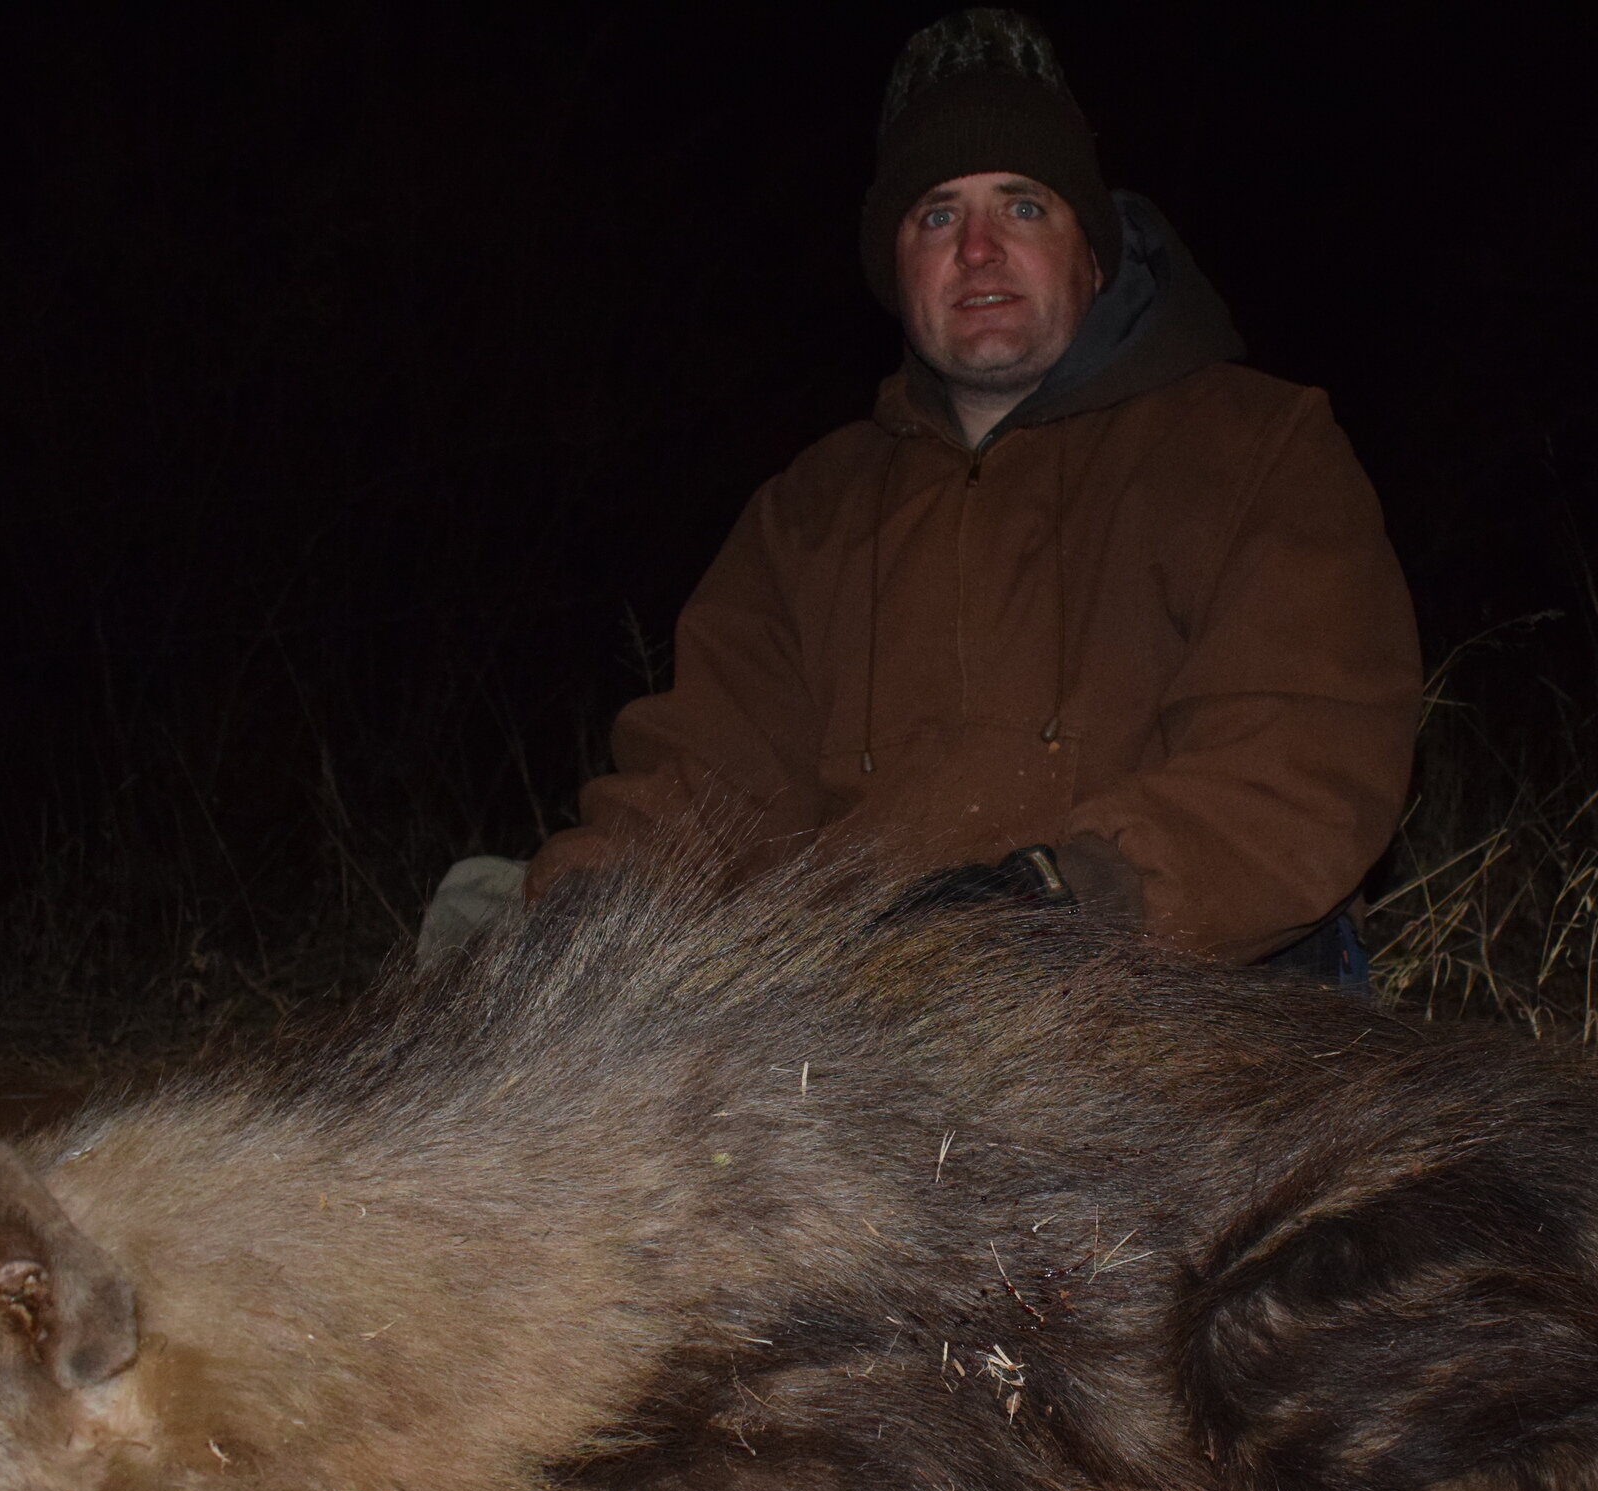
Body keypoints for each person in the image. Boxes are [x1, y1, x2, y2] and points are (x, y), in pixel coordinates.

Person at [502, 8, 1427, 976]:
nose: (977, 250)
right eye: (937, 215)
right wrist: (578, 922)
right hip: (866, 1019)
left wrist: (1051, 908)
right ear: (895, 270)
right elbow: (702, 784)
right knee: (493, 923)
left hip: (1170, 991)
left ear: (1093, 251)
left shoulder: (1256, 445)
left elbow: (1303, 767)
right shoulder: (809, 511)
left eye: (1022, 205)